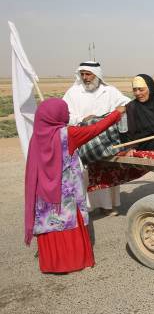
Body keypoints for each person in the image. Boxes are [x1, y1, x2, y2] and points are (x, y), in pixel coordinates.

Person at [24, 98, 125, 273]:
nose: (68, 114)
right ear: (55, 115)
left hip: (44, 193)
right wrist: (117, 113)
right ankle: (73, 261)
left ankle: (53, 264)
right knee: (69, 223)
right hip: (66, 193)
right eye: (65, 111)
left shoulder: (37, 135)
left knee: (50, 225)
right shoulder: (67, 134)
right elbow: (94, 130)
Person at [63, 61, 130, 215]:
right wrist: (81, 119)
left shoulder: (110, 91)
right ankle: (85, 208)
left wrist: (116, 114)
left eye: (88, 74)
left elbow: (126, 104)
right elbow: (65, 114)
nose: (85, 77)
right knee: (84, 173)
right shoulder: (73, 92)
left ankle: (108, 206)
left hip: (107, 139)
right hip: (83, 139)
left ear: (97, 74)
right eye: (82, 74)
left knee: (107, 171)